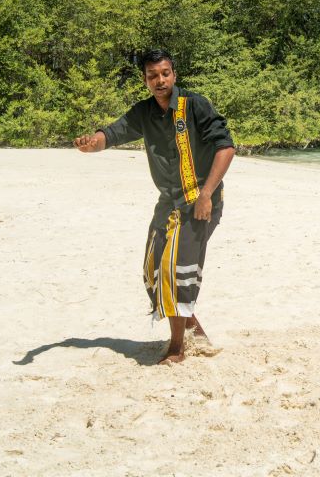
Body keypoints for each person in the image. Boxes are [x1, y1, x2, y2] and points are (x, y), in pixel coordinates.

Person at [73, 49, 235, 365]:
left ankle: (177, 349)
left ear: (173, 75)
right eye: (152, 76)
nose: (159, 80)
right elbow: (113, 133)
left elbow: (226, 148)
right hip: (168, 205)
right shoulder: (144, 112)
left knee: (176, 272)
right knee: (152, 271)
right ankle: (195, 333)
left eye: (164, 73)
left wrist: (206, 194)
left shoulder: (195, 105)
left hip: (201, 203)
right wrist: (91, 144)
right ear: (145, 80)